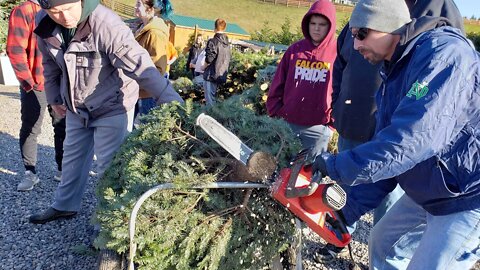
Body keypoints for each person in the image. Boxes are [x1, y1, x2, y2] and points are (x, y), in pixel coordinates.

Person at [313, 0, 480, 268]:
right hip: (435, 185)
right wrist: (345, 210)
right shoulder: (394, 73)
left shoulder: (444, 55)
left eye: (362, 34)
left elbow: (410, 142)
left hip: (468, 193)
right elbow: (388, 158)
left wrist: (335, 166)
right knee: (383, 245)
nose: (355, 45)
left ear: (388, 24)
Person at [28, 0, 183, 224]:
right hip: (76, 106)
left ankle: (110, 222)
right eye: (55, 12)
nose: (64, 17)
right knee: (72, 157)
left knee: (108, 166)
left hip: (112, 104)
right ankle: (64, 206)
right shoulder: (44, 25)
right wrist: (54, 99)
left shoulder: (106, 25)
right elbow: (50, 65)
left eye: (68, 9)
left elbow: (141, 65)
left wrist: (173, 102)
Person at [6, 0, 66, 191]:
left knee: (63, 125)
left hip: (60, 81)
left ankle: (62, 170)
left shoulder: (62, 7)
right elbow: (15, 49)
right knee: (31, 127)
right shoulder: (24, 11)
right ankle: (30, 172)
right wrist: (28, 83)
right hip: (35, 82)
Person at [266, 0, 336, 157]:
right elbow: (278, 83)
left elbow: (343, 90)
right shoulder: (294, 50)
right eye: (313, 23)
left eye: (322, 24)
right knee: (282, 170)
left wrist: (331, 125)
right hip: (287, 122)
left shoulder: (337, 53)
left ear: (330, 26)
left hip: (319, 127)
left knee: (309, 174)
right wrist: (276, 113)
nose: (316, 28)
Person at [133, 0, 170, 123]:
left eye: (139, 4)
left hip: (147, 93)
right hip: (136, 90)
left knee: (146, 130)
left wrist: (139, 83)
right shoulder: (142, 29)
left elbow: (158, 68)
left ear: (150, 8)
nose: (135, 6)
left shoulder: (155, 33)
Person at [202, 18, 231, 105]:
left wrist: (204, 66)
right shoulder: (227, 44)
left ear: (214, 28)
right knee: (216, 102)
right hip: (221, 75)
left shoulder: (213, 41)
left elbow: (209, 58)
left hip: (211, 74)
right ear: (224, 28)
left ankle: (210, 117)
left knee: (210, 102)